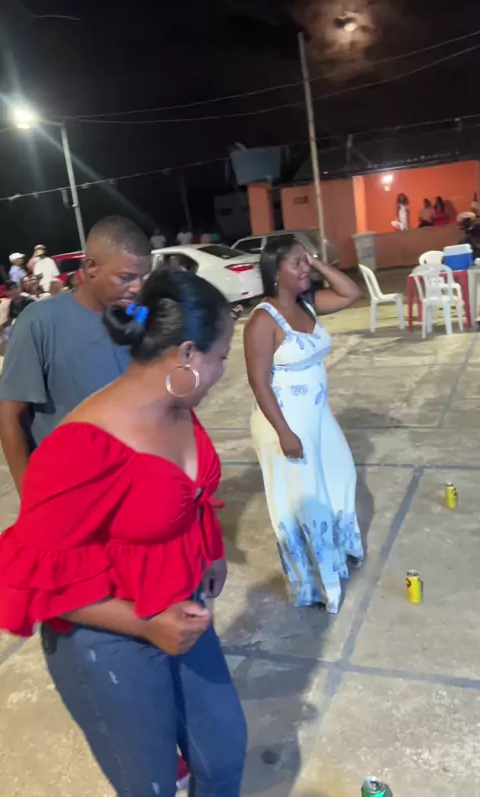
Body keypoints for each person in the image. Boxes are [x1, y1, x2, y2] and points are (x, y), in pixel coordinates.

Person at [0, 268, 246, 797]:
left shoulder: (177, 408)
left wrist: (211, 551)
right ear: (187, 354)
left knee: (224, 755)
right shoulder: (80, 449)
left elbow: (187, 497)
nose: (223, 371)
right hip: (108, 640)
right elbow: (22, 578)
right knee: (150, 785)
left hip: (182, 608)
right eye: (222, 357)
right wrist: (146, 624)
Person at [243, 235, 363, 612]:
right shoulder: (263, 319)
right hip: (285, 423)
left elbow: (351, 293)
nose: (305, 268)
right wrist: (284, 433)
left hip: (318, 416)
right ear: (275, 270)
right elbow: (259, 382)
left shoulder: (307, 304)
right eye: (295, 263)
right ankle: (316, 584)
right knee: (305, 502)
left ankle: (337, 552)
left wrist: (318, 262)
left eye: (306, 260)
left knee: (341, 478)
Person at [0, 215, 151, 495]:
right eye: (126, 277)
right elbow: (10, 416)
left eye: (143, 276)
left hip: (135, 486)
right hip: (71, 493)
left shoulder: (138, 321)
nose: (138, 287)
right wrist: (31, 498)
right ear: (91, 267)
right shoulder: (39, 322)